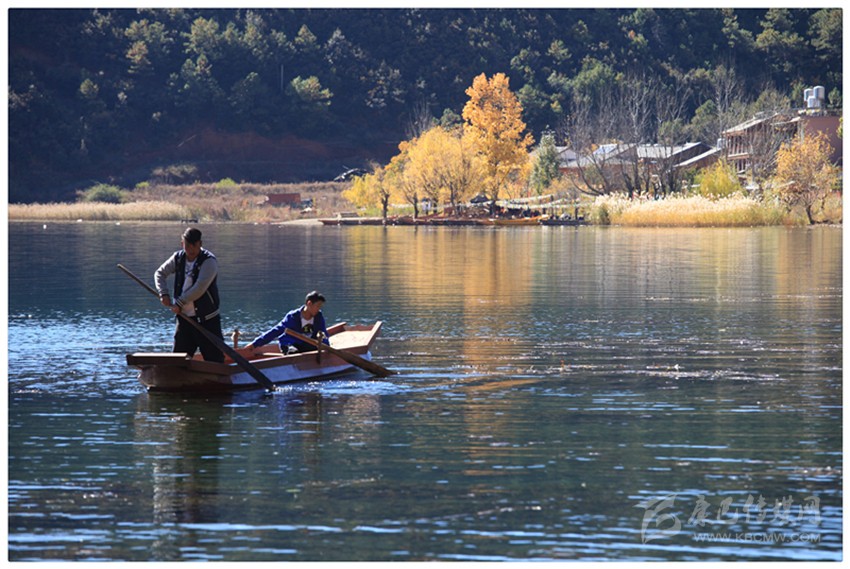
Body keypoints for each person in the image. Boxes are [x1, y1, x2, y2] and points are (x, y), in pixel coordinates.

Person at [154, 227, 224, 362]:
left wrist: (179, 303)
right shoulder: (178, 258)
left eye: (194, 246)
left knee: (215, 361)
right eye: (187, 246)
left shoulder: (209, 261)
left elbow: (199, 288)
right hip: (184, 319)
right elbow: (160, 274)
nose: (191, 250)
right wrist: (164, 294)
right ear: (182, 244)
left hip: (207, 321)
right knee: (178, 362)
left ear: (200, 244)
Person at [244, 291, 330, 355]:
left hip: (309, 345)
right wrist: (255, 344)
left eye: (320, 306)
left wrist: (326, 345)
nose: (319, 309)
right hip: (292, 344)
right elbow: (275, 331)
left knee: (313, 347)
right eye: (318, 306)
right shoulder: (293, 317)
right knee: (292, 352)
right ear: (309, 303)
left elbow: (323, 333)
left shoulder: (318, 316)